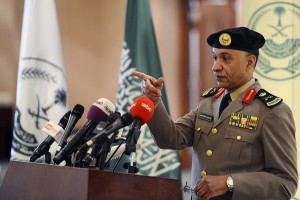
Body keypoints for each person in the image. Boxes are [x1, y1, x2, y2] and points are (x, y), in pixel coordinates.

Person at [132, 27, 298, 200]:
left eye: (225, 58)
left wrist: (230, 183)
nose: (215, 66)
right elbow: (170, 138)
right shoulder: (209, 102)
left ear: (250, 63)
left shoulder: (272, 111)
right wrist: (154, 100)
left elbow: (286, 183)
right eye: (214, 57)